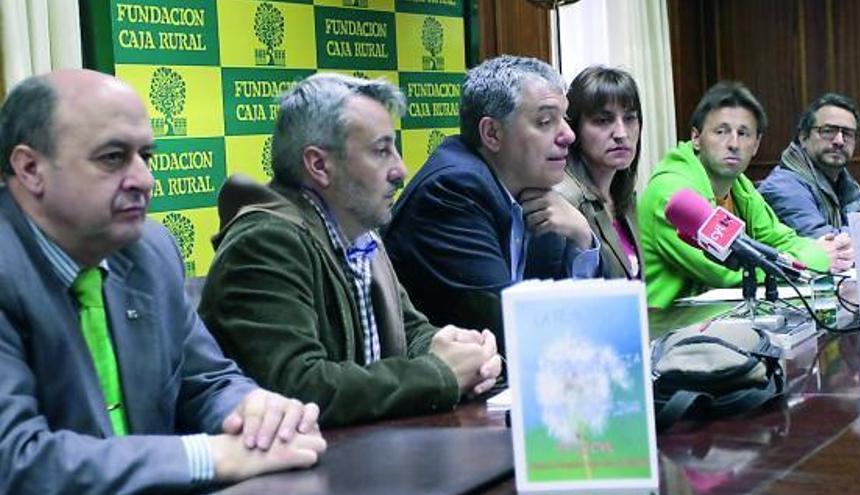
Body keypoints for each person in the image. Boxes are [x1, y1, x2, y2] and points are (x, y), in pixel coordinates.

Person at [0, 70, 326, 493]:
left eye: (146, 157)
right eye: (113, 157)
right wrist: (209, 455)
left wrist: (253, 414)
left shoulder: (149, 250)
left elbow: (207, 380)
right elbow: (15, 462)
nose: (144, 180)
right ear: (30, 168)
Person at [198, 73, 501, 428]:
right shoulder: (265, 242)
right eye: (381, 150)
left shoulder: (359, 233)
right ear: (319, 165)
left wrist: (456, 349)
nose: (400, 169)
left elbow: (410, 331)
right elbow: (298, 387)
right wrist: (439, 375)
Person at [383, 55, 600, 345]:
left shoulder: (535, 188)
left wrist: (583, 237)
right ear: (492, 133)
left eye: (566, 119)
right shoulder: (451, 191)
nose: (569, 135)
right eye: (546, 121)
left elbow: (595, 310)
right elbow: (507, 327)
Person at [638, 81, 853, 308]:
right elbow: (726, 270)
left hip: (717, 323)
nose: (733, 143)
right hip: (667, 330)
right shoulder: (672, 193)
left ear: (756, 144)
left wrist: (819, 248)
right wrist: (816, 258)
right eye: (721, 132)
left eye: (743, 133)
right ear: (696, 138)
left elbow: (781, 238)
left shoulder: (740, 186)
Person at [528, 65, 643, 279]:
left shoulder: (624, 197)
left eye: (629, 118)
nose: (621, 133)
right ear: (575, 128)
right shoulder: (562, 200)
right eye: (603, 120)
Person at [759, 93, 860, 237]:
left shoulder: (840, 181)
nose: (839, 141)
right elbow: (827, 244)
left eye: (847, 133)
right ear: (803, 137)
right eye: (828, 131)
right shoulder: (782, 187)